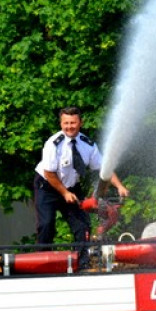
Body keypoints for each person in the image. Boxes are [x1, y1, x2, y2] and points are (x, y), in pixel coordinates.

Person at [34, 106, 128, 260]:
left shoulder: (88, 145)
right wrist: (64, 193)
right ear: (61, 124)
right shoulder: (53, 144)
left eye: (73, 123)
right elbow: (49, 174)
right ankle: (42, 261)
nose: (69, 126)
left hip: (71, 187)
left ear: (80, 123)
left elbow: (104, 168)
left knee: (83, 226)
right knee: (46, 224)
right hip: (47, 187)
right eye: (66, 123)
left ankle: (82, 263)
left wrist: (119, 186)